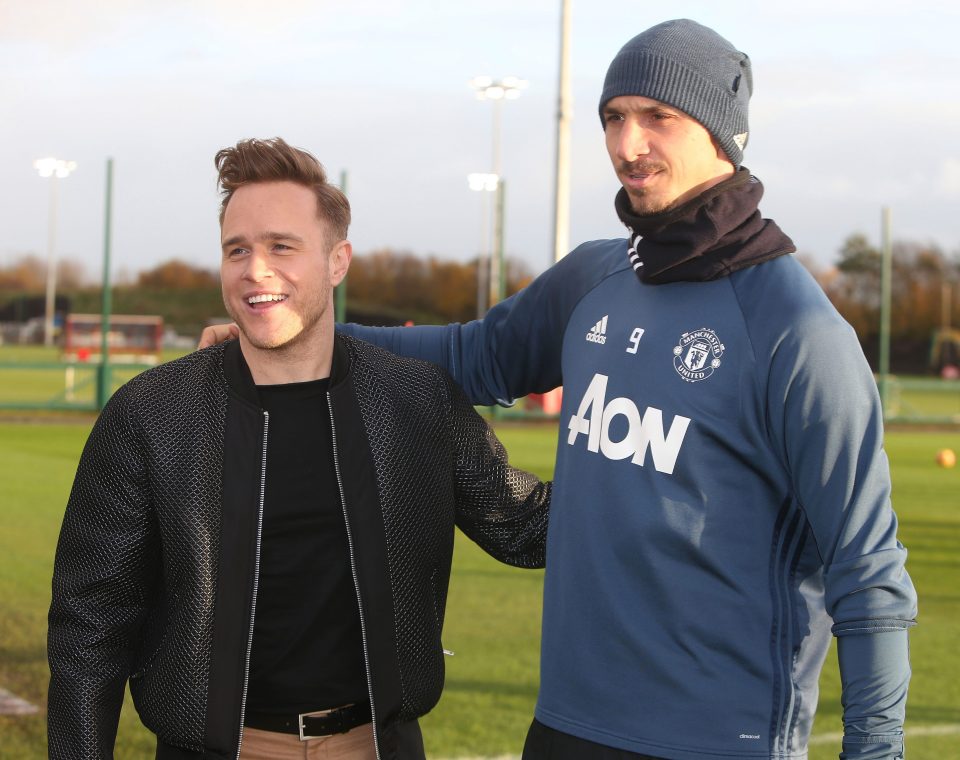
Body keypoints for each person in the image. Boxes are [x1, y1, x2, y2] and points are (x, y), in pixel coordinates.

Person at [200, 20, 918, 760]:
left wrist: (877, 749)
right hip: (566, 726)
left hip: (715, 738)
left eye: (657, 118)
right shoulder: (595, 279)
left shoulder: (796, 330)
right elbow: (467, 356)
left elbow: (869, 574)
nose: (626, 143)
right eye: (614, 117)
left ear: (722, 134)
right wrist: (304, 336)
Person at [47, 137, 551, 760]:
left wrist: (675, 452)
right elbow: (90, 625)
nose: (256, 271)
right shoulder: (151, 413)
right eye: (238, 250)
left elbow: (528, 529)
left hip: (378, 745)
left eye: (281, 246)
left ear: (338, 261)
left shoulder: (416, 401)